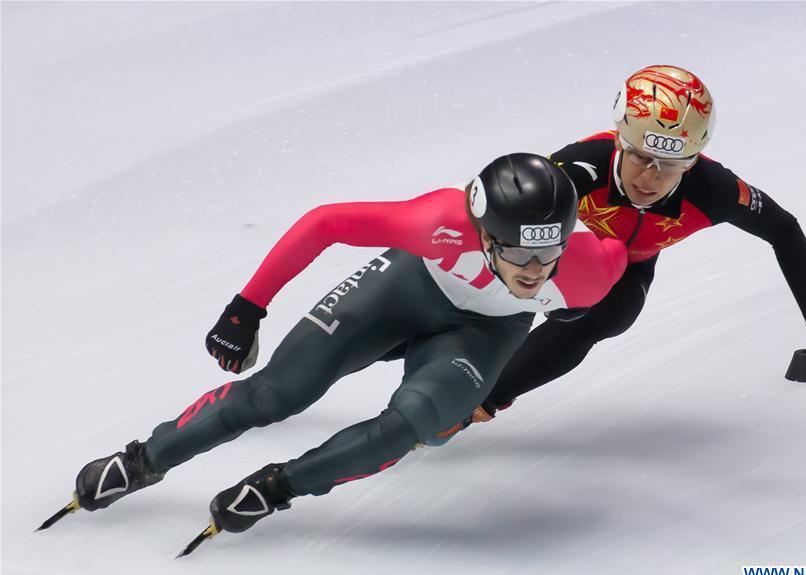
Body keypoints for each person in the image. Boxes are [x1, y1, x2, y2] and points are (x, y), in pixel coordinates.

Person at [48, 154, 626, 545]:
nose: (534, 270)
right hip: (408, 286)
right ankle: (142, 460)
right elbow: (326, 223)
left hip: (483, 332)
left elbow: (620, 265)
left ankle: (278, 487)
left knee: (413, 424)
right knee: (277, 393)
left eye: (548, 253)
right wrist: (247, 307)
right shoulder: (437, 220)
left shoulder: (588, 273)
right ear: (481, 233)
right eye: (518, 253)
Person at [468, 65, 806, 425]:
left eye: (671, 165)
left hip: (626, 265)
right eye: (640, 157)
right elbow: (490, 210)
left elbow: (784, 230)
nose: (650, 178)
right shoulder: (579, 167)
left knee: (608, 314)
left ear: (692, 161)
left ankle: (480, 403)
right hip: (552, 248)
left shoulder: (713, 190)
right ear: (620, 140)